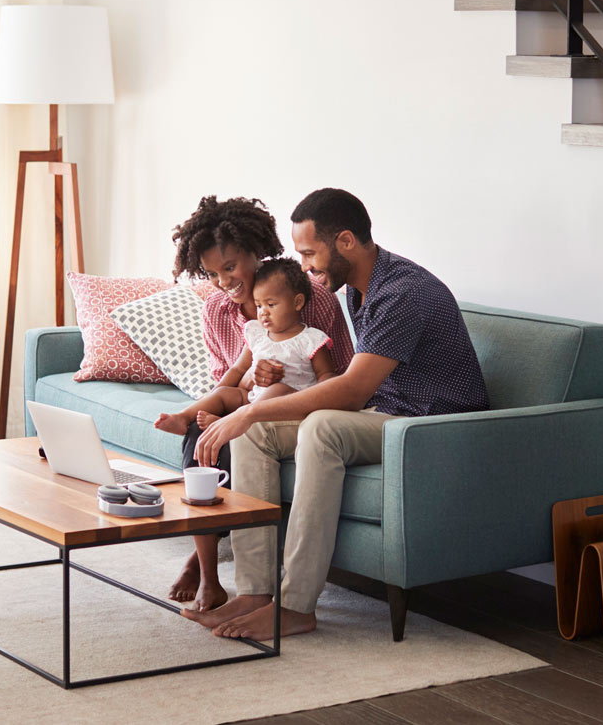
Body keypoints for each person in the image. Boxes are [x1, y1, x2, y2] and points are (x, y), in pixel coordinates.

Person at [186, 188, 489, 639]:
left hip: (431, 426)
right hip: (388, 414)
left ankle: (296, 607)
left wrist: (246, 413)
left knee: (320, 427)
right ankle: (256, 591)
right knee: (254, 434)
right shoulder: (360, 291)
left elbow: (350, 390)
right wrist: (251, 414)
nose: (304, 266)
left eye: (309, 253)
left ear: (345, 241)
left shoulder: (403, 292)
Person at [163, 197, 355, 613]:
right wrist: (252, 380)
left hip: (297, 404)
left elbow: (338, 374)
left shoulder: (310, 297)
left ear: (255, 251)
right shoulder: (216, 307)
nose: (223, 282)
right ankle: (210, 579)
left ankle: (204, 559)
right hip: (245, 400)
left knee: (233, 432)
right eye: (212, 273)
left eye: (230, 268)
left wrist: (270, 386)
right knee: (200, 435)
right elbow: (228, 378)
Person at [156, 258, 336, 434]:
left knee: (278, 389)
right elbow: (237, 369)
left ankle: (228, 422)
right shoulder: (257, 333)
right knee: (225, 393)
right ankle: (183, 417)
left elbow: (326, 375)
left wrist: (317, 399)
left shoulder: (311, 339)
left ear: (297, 302)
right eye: (258, 305)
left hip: (290, 404)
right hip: (253, 399)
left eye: (271, 305)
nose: (263, 312)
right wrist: (216, 393)